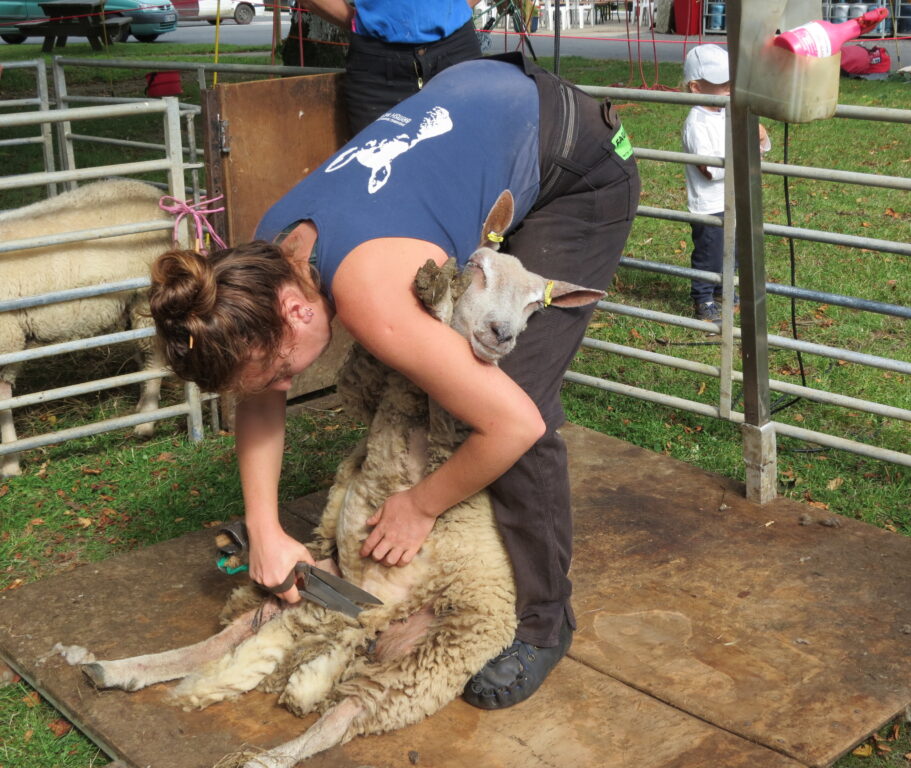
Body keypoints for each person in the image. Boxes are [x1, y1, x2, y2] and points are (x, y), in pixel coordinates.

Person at [148, 53, 639, 710]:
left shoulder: (370, 295)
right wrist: (264, 530)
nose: (288, 382)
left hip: (576, 161)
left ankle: (544, 623)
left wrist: (420, 504)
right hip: (484, 114)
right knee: (435, 382)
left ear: (295, 311)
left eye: (287, 370)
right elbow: (260, 403)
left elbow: (512, 423)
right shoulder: (263, 262)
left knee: (514, 394)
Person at [295, 0, 484, 134]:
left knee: (467, 166)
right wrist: (358, 21)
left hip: (457, 52)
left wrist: (455, 9)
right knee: (380, 179)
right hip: (376, 68)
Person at [681, 44, 770, 323]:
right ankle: (704, 298)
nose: (730, 87)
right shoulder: (697, 123)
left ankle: (724, 290)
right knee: (710, 252)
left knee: (732, 250)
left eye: (731, 80)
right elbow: (709, 169)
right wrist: (742, 152)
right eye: (722, 83)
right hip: (709, 204)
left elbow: (760, 152)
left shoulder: (727, 112)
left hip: (733, 196)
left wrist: (760, 138)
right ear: (696, 87)